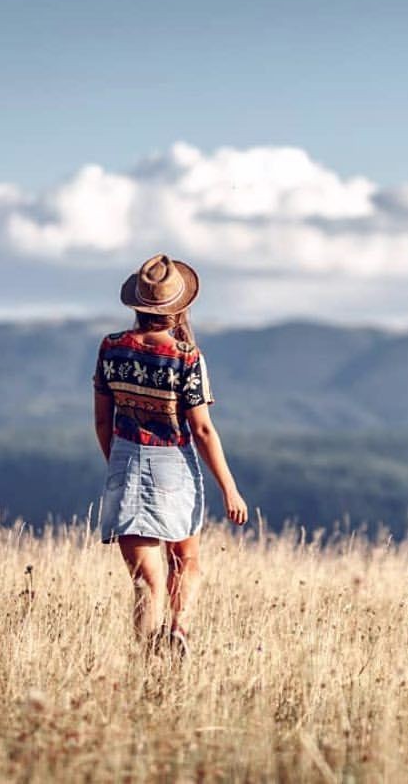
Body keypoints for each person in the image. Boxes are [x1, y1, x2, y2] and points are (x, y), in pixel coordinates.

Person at [92, 253, 248, 659]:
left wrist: (119, 463)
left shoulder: (110, 349)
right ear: (178, 307)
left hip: (125, 460)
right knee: (185, 560)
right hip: (173, 463)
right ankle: (178, 628)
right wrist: (230, 489)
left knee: (146, 581)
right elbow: (202, 429)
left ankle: (148, 663)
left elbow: (102, 423)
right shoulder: (186, 357)